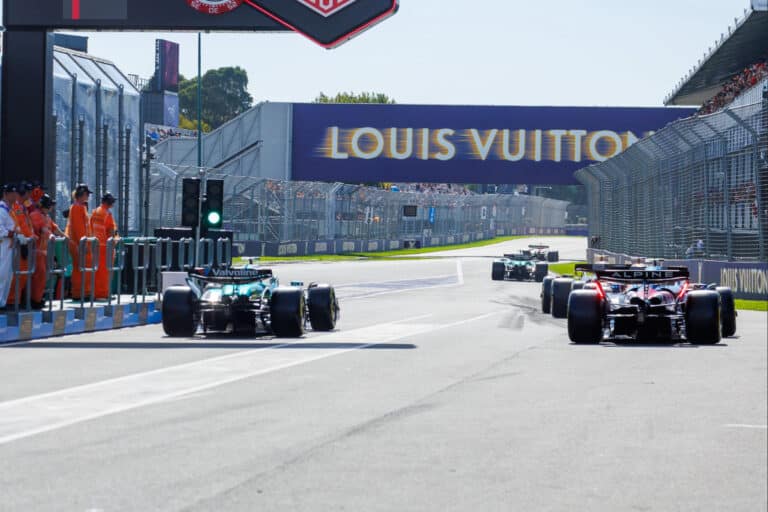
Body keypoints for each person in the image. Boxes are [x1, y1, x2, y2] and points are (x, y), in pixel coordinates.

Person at [29, 194, 67, 309]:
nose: (51, 208)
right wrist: (51, 236)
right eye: (50, 205)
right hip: (36, 251)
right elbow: (43, 229)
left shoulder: (46, 216)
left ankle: (38, 298)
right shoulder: (35, 215)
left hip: (44, 252)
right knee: (38, 277)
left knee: (43, 277)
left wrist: (65, 236)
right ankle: (34, 300)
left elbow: (54, 228)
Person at [7, 182, 38, 307]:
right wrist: (28, 237)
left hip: (27, 244)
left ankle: (17, 300)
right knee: (16, 275)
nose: (30, 195)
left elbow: (27, 224)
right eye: (28, 192)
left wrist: (31, 236)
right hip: (19, 244)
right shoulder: (15, 207)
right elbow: (19, 226)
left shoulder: (23, 207)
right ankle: (11, 301)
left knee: (23, 276)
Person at [65, 184, 93, 300]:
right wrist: (84, 244)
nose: (88, 196)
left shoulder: (80, 207)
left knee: (83, 267)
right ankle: (78, 293)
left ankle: (83, 292)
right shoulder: (77, 208)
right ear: (82, 194)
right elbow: (79, 228)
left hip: (80, 243)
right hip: (78, 244)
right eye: (87, 194)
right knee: (80, 268)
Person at [89, 192, 118, 300]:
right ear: (109, 202)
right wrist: (114, 241)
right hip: (105, 246)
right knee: (105, 272)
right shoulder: (107, 214)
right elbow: (111, 230)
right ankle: (103, 294)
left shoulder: (95, 212)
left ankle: (97, 293)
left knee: (97, 271)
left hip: (95, 244)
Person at [0, 184, 19, 311]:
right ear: (6, 194)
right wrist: (11, 233)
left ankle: (2, 302)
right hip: (3, 245)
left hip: (10, 246)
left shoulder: (10, 210)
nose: (15, 195)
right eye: (12, 193)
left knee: (8, 275)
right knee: (2, 274)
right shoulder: (1, 209)